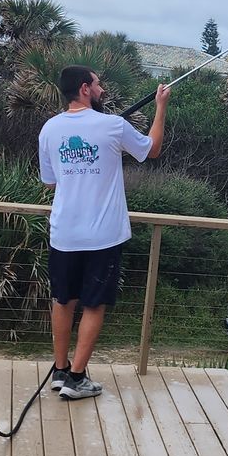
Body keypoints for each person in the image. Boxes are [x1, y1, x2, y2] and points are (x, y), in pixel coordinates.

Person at [37, 65, 169, 400]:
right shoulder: (113, 126)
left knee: (63, 300)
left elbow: (50, 180)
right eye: (98, 85)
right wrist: (160, 107)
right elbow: (151, 149)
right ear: (85, 89)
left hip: (64, 233)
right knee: (94, 304)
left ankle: (61, 369)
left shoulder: (50, 130)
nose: (102, 90)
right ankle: (77, 378)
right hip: (102, 237)